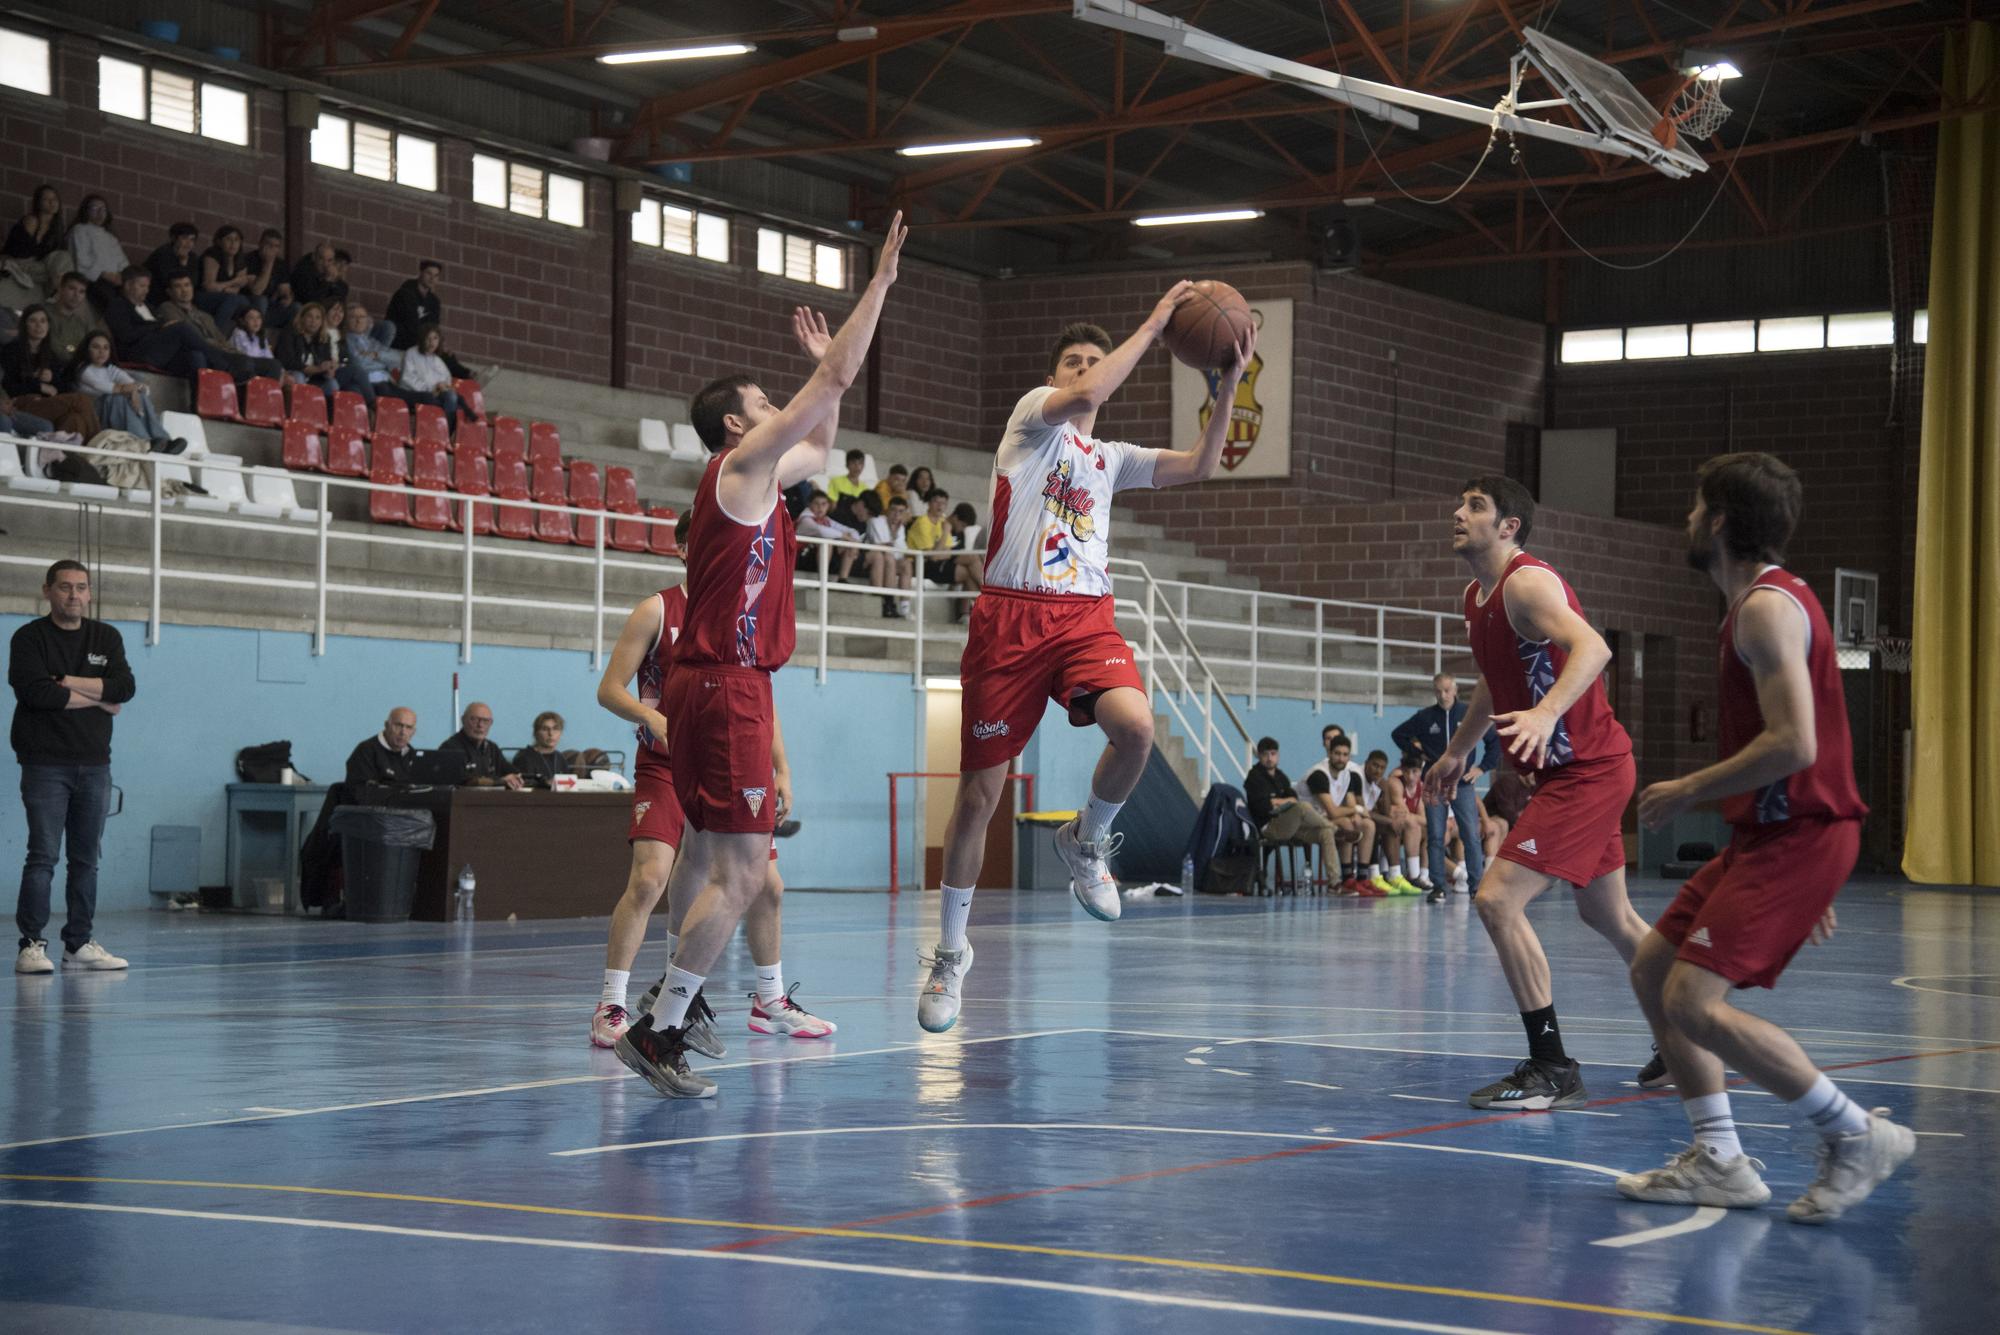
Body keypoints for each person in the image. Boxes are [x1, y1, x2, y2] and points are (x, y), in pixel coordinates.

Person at [614, 213, 906, 1099]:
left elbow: (818, 438)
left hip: (710, 686)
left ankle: (676, 1010)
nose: (784, 409)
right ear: (738, 422)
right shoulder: (739, 467)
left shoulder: (754, 476)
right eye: (767, 402)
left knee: (704, 863)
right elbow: (834, 376)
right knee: (746, 876)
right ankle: (659, 1026)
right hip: (730, 686)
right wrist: (880, 284)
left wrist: (826, 390)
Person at [916, 292, 1255, 1034]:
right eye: (1074, 363)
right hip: (1008, 616)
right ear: (1056, 378)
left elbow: (1200, 464)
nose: (1086, 372)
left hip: (1081, 617)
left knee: (1135, 728)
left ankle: (1086, 838)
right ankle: (949, 951)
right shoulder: (1033, 419)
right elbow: (1092, 391)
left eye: (1092, 361)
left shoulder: (1111, 459)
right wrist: (1162, 319)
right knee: (979, 797)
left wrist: (1227, 383)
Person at [1616, 452, 1910, 1223]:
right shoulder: (1759, 604)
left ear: (1718, 520)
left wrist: (1687, 789)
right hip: (1773, 837)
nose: (1685, 517)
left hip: (1799, 832)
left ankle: (1854, 1134)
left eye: (1693, 505)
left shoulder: (1765, 609)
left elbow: (1796, 744)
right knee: (1654, 970)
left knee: (1692, 999)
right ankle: (1721, 1159)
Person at [1425, 476, 1658, 1109]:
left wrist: (1549, 712)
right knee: (1608, 915)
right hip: (1577, 771)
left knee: (1497, 899)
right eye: (1461, 501)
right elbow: (1490, 683)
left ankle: (1551, 1066)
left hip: (1588, 771)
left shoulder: (1527, 583)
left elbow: (1594, 646)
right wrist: (1456, 751)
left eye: (1476, 506)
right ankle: (1684, 1031)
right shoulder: (1478, 596)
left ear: (1509, 527)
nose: (1459, 512)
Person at [591, 512, 834, 1050]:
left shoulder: (742, 612)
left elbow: (759, 703)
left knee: (768, 885)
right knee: (651, 877)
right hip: (665, 762)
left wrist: (783, 769)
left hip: (728, 760)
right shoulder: (657, 609)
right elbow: (609, 689)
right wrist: (652, 718)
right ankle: (614, 1001)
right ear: (684, 550)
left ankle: (768, 1000)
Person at [11, 560, 132, 975]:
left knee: (86, 859)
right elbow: (36, 693)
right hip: (45, 765)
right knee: (42, 856)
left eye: (81, 587)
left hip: (95, 766)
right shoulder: (29, 638)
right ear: (48, 591)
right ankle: (31, 945)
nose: (74, 595)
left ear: (90, 593)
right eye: (65, 587)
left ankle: (78, 942)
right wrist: (99, 698)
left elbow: (125, 688)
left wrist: (67, 681)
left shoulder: (106, 637)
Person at [1393, 673, 1499, 902]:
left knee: (1471, 834)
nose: (1443, 695)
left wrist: (1481, 768)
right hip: (1435, 784)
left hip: (1462, 784)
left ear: (1455, 690)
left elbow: (1494, 742)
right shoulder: (1425, 717)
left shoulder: (1468, 713)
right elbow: (1399, 734)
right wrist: (1420, 754)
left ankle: (1475, 886)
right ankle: (1438, 886)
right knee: (1435, 835)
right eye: (1438, 691)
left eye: (1447, 690)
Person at [1244, 737, 1341, 892]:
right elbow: (1261, 806)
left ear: (1278, 755)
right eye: (1265, 754)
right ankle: (1334, 826)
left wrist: (1277, 801)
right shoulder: (1253, 777)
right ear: (1259, 756)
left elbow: (1293, 798)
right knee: (1303, 807)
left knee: (1325, 832)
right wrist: (1282, 801)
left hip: (1289, 826)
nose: (1269, 758)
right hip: (1268, 827)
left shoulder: (1281, 777)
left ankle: (1334, 883)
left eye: (1273, 754)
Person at [1297, 727, 1380, 895]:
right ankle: (1347, 878)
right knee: (1346, 822)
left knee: (1368, 824)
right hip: (1307, 823)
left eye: (1345, 754)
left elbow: (1349, 806)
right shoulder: (1318, 774)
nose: (1341, 758)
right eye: (1337, 753)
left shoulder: (1347, 775)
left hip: (1328, 818)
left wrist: (1357, 815)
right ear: (1329, 753)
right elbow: (1333, 812)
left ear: (1349, 757)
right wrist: (1356, 809)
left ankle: (1363, 878)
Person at [155, 271, 277, 383]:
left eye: (187, 285)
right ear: (169, 292)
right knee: (200, 356)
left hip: (218, 353)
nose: (184, 290)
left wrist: (238, 355)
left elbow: (221, 341)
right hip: (190, 355)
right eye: (178, 286)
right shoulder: (167, 308)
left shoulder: (205, 316)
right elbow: (189, 337)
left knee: (271, 365)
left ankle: (257, 404)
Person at [71, 332, 184, 452]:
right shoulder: (83, 369)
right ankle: (144, 442)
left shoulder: (111, 369)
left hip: (114, 413)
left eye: (106, 348)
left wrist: (134, 391)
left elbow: (144, 389)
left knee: (140, 396)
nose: (101, 351)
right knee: (116, 398)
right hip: (95, 417)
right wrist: (131, 389)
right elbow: (108, 388)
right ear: (87, 350)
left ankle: (163, 441)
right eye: (96, 347)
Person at [2, 306, 102, 439]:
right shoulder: (11, 351)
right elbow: (9, 387)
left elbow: (63, 388)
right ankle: (101, 442)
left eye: (43, 321)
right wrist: (39, 385)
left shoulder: (50, 354)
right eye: (33, 321)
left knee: (75, 419)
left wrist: (52, 378)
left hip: (48, 404)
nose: (39, 325)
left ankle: (66, 457)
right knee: (80, 400)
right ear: (24, 325)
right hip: (22, 403)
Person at [104, 266, 211, 383]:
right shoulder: (118, 305)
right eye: (142, 286)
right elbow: (126, 335)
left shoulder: (149, 307)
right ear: (128, 285)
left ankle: (200, 400)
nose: (146, 291)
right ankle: (220, 359)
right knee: (181, 327)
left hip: (161, 354)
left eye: (148, 286)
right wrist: (158, 327)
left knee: (196, 356)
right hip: (138, 353)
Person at [385, 259, 478, 378]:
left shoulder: (434, 301)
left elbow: (434, 328)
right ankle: (468, 374)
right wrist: (431, 344)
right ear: (421, 273)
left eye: (436, 276)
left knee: (446, 354)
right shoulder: (405, 293)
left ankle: (468, 376)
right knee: (436, 351)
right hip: (401, 339)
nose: (432, 278)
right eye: (429, 273)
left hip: (420, 340)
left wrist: (440, 344)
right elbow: (410, 325)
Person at [1, 185, 73, 312]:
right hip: (18, 263)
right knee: (51, 270)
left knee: (63, 258)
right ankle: (57, 292)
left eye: (55, 199)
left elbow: (54, 257)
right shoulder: (32, 220)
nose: (52, 202)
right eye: (46, 199)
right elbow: (22, 253)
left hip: (39, 270)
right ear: (38, 203)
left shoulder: (57, 228)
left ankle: (58, 293)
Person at [1376, 751, 1429, 895]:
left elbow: (1424, 818)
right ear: (1402, 771)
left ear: (1421, 771)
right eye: (1406, 772)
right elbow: (1404, 812)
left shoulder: (1421, 786)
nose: (1410, 776)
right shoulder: (1395, 782)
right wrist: (1412, 817)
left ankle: (1421, 874)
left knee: (1426, 830)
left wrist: (1413, 817)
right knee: (1409, 823)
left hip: (1405, 826)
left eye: (1415, 772)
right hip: (1388, 824)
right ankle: (1411, 875)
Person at [63, 195, 130, 310]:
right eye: (95, 209)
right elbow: (82, 261)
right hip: (94, 281)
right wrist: (104, 274)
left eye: (103, 209)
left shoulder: (111, 237)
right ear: (86, 211)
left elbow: (123, 263)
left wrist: (121, 276)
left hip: (115, 283)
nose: (100, 213)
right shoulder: (80, 230)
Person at [437, 702, 524, 790]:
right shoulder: (450, 748)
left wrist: (516, 778)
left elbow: (516, 774)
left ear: (491, 723)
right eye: (474, 719)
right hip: (462, 801)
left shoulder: (492, 748)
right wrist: (501, 781)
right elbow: (468, 781)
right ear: (463, 720)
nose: (480, 725)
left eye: (485, 721)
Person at [274, 300, 344, 405]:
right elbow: (287, 362)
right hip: (291, 374)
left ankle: (325, 418)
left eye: (317, 318)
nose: (313, 321)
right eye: (309, 317)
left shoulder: (324, 338)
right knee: (299, 376)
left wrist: (329, 369)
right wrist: (317, 368)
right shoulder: (290, 332)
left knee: (332, 384)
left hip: (314, 378)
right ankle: (298, 413)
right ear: (302, 318)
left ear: (322, 321)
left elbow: (326, 361)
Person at [863, 492, 914, 619]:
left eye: (901, 512)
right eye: (894, 510)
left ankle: (904, 608)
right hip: (873, 559)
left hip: (890, 559)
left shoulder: (900, 527)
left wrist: (894, 537)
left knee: (906, 564)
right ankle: (889, 602)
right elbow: (881, 546)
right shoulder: (876, 521)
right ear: (887, 510)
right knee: (889, 558)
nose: (897, 515)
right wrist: (893, 534)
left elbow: (901, 551)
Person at [794, 489, 863, 581]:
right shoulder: (805, 519)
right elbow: (822, 531)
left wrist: (854, 542)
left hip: (817, 559)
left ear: (828, 506)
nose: (820, 507)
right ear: (810, 505)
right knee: (828, 543)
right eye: (816, 504)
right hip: (798, 559)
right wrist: (846, 537)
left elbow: (852, 531)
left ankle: (842, 579)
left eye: (824, 504)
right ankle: (823, 581)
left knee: (847, 545)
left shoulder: (827, 520)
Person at [197, 224, 257, 329]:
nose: (233, 244)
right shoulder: (212, 255)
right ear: (219, 241)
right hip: (204, 297)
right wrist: (234, 282)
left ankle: (250, 341)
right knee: (234, 300)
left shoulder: (240, 260)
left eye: (237, 240)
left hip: (226, 298)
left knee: (247, 304)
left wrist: (224, 287)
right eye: (228, 239)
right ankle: (217, 335)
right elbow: (209, 287)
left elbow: (235, 290)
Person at [399, 324, 463, 420]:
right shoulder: (411, 353)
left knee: (453, 398)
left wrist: (443, 386)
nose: (431, 342)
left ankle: (445, 431)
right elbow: (407, 379)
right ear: (422, 339)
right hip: (413, 394)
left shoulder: (437, 360)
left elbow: (447, 379)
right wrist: (431, 389)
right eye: (428, 338)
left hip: (434, 394)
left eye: (435, 338)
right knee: (444, 404)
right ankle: (443, 430)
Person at [345, 707, 418, 785]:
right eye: (398, 725)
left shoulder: (412, 754)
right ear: (386, 725)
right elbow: (362, 791)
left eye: (409, 727)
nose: (403, 732)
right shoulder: (366, 751)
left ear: (413, 732)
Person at [46, 273, 106, 366]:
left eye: (81, 291)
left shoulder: (83, 323)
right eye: (72, 288)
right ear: (60, 288)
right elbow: (57, 350)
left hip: (84, 368)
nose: (76, 295)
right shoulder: (44, 314)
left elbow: (98, 345)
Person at [247, 228, 293, 328]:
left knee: (296, 308)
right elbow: (256, 290)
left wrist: (287, 297)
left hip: (272, 305)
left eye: (276, 246)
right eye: (269, 245)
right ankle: (259, 335)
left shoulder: (281, 264)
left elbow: (285, 289)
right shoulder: (250, 259)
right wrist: (269, 263)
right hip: (251, 304)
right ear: (260, 244)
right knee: (262, 300)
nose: (272, 249)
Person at [144, 221, 202, 298]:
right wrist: (182, 263)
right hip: (158, 295)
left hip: (182, 297)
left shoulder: (193, 257)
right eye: (184, 238)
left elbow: (194, 282)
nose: (189, 243)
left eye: (192, 240)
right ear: (174, 238)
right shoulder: (163, 254)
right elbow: (168, 281)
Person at [511, 711, 569, 785]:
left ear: (561, 733)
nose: (551, 733)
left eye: (555, 729)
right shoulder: (524, 757)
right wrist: (544, 784)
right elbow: (521, 784)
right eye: (545, 729)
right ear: (536, 733)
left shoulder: (560, 758)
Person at [826, 446, 871, 523]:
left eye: (860, 463)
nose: (857, 467)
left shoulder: (865, 488)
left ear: (863, 466)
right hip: (839, 518)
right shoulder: (836, 481)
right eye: (853, 463)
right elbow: (833, 506)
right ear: (847, 465)